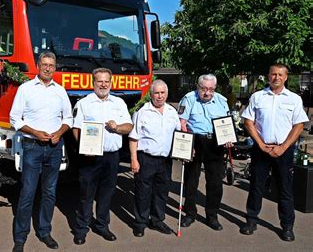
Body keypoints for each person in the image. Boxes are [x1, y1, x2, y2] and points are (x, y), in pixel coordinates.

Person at [9, 51, 73, 252]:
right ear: (38, 65)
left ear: (55, 68)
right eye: (44, 64)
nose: (47, 68)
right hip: (32, 147)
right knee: (28, 192)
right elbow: (15, 119)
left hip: (54, 148)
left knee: (49, 193)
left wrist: (59, 132)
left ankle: (44, 231)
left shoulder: (60, 91)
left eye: (51, 65)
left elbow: (68, 119)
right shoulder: (25, 89)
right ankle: (20, 238)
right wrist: (35, 132)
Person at [240, 64, 308, 241]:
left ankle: (287, 226)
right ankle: (251, 220)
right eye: (273, 74)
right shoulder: (258, 97)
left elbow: (299, 125)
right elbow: (248, 121)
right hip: (261, 149)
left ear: (286, 77)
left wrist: (284, 147)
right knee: (256, 186)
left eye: (280, 75)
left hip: (283, 150)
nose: (276, 77)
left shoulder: (294, 99)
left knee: (285, 189)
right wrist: (261, 144)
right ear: (268, 76)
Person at [72, 67, 133, 245]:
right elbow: (76, 129)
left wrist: (117, 128)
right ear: (94, 83)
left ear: (111, 82)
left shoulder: (119, 103)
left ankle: (102, 225)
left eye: (107, 81)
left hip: (112, 156)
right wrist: (84, 147)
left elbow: (128, 126)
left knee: (107, 193)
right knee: (86, 194)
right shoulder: (84, 103)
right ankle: (81, 228)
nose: (104, 84)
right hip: (90, 157)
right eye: (100, 81)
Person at [178, 74, 232, 231]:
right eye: (203, 89)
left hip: (215, 143)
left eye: (210, 89)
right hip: (195, 141)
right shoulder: (188, 99)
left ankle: (212, 216)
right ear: (198, 87)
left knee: (215, 182)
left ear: (215, 88)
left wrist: (228, 137)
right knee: (191, 180)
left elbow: (227, 123)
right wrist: (187, 143)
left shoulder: (222, 101)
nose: (207, 93)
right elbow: (182, 123)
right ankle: (190, 214)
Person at [129, 80, 181, 237]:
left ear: (166, 94)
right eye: (156, 93)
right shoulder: (142, 112)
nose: (160, 96)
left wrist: (185, 151)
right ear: (151, 95)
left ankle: (157, 220)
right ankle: (140, 222)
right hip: (146, 158)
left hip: (165, 160)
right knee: (143, 192)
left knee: (162, 191)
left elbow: (179, 135)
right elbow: (133, 138)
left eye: (162, 93)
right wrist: (133, 159)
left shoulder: (172, 112)